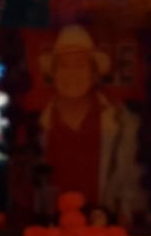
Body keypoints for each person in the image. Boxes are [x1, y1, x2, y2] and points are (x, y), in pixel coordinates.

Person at [37, 24, 143, 221]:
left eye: (80, 65)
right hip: (49, 233)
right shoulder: (36, 125)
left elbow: (130, 182)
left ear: (94, 74)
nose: (72, 74)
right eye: (64, 66)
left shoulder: (122, 122)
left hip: (106, 233)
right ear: (53, 73)